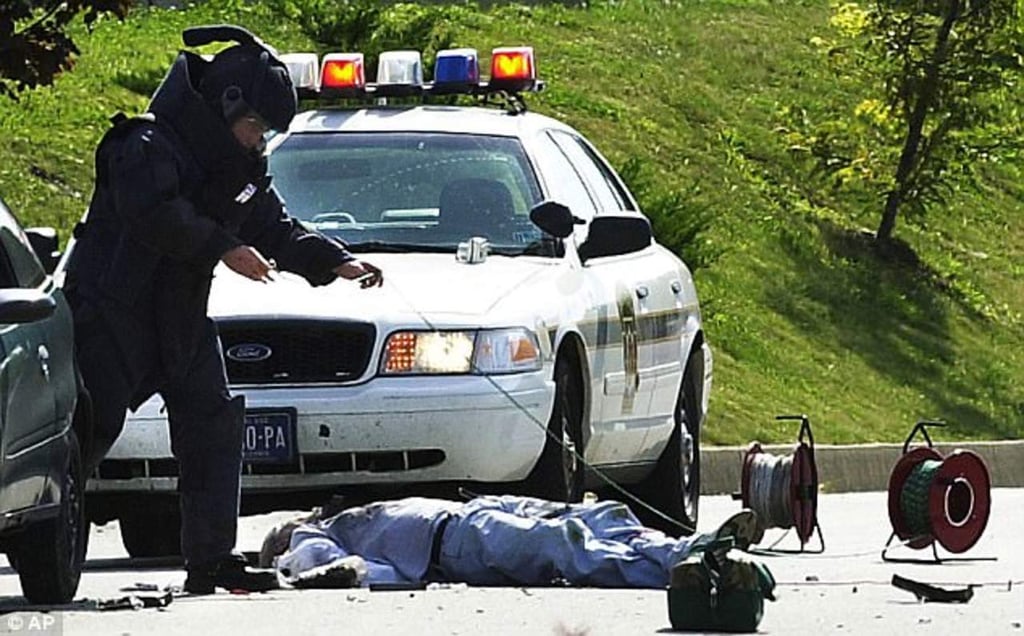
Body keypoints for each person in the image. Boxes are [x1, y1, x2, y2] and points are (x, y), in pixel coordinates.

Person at [63, 24, 382, 595]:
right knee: (85, 435)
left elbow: (272, 226)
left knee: (212, 425)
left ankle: (210, 560)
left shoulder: (239, 169)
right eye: (256, 127)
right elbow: (155, 214)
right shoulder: (143, 146)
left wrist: (334, 261)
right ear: (225, 103)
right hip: (112, 315)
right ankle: (41, 549)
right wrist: (223, 247)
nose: (259, 143)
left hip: (179, 319)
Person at [260, 495, 763, 589]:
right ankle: (678, 571)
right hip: (455, 540)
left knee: (602, 517)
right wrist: (286, 560)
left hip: (476, 511)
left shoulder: (346, 520)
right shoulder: (317, 539)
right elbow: (321, 564)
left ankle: (692, 549)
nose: (295, 523)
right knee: (562, 543)